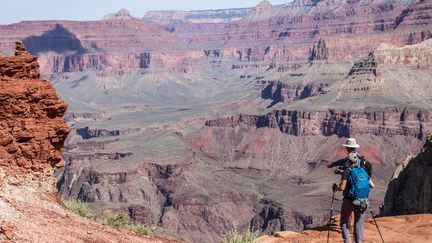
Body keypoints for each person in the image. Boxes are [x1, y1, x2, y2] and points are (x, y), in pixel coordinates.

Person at [332, 138, 375, 243]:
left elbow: (342, 187)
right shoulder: (363, 170)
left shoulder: (347, 170)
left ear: (348, 160)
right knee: (359, 223)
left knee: (343, 222)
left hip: (350, 199)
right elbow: (372, 185)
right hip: (363, 200)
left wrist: (336, 188)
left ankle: (348, 241)